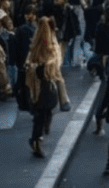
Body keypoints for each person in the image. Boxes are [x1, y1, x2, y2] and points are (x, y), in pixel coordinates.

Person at [24, 17, 64, 158]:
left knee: (39, 114)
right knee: (45, 111)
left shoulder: (34, 46)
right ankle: (37, 140)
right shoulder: (50, 46)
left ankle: (36, 139)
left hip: (36, 85)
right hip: (46, 83)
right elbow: (56, 64)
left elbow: (28, 64)